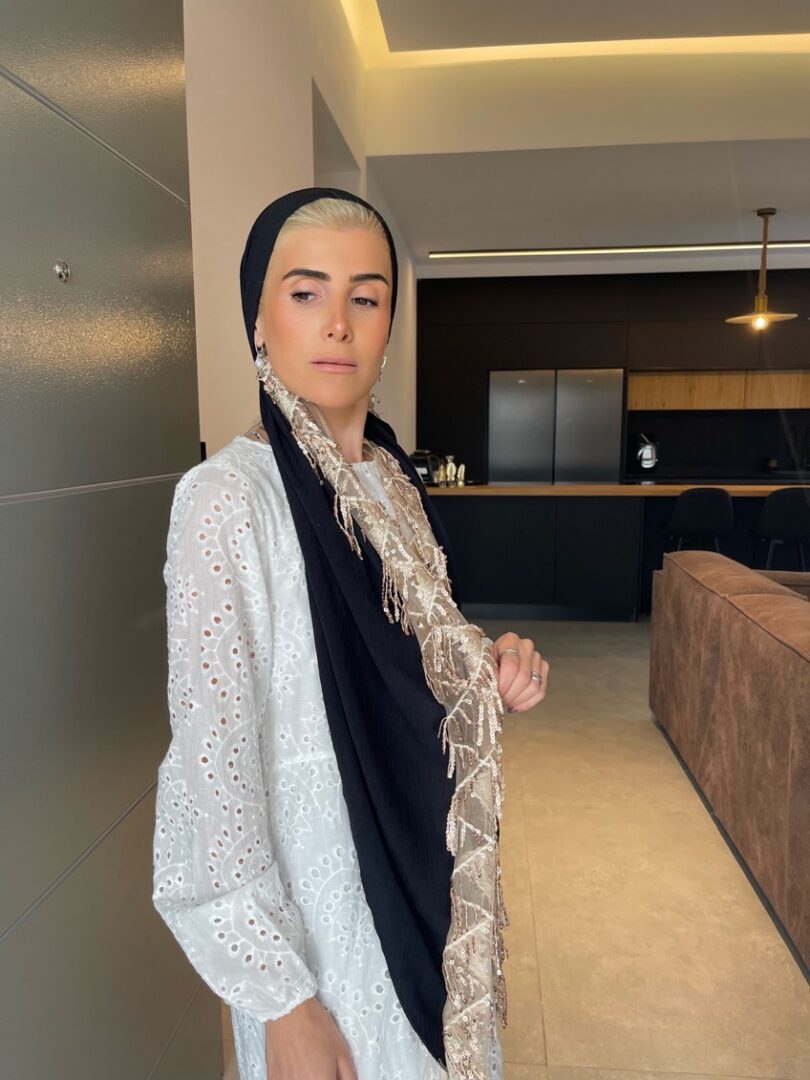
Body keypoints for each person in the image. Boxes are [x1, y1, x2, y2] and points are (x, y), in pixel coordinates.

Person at [152, 187, 549, 1080]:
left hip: (425, 884)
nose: (337, 323)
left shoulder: (392, 481)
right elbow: (213, 773)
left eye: (365, 297)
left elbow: (402, 662)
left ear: (388, 324)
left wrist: (483, 665)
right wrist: (282, 1000)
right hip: (323, 923)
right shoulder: (228, 500)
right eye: (305, 293)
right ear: (258, 319)